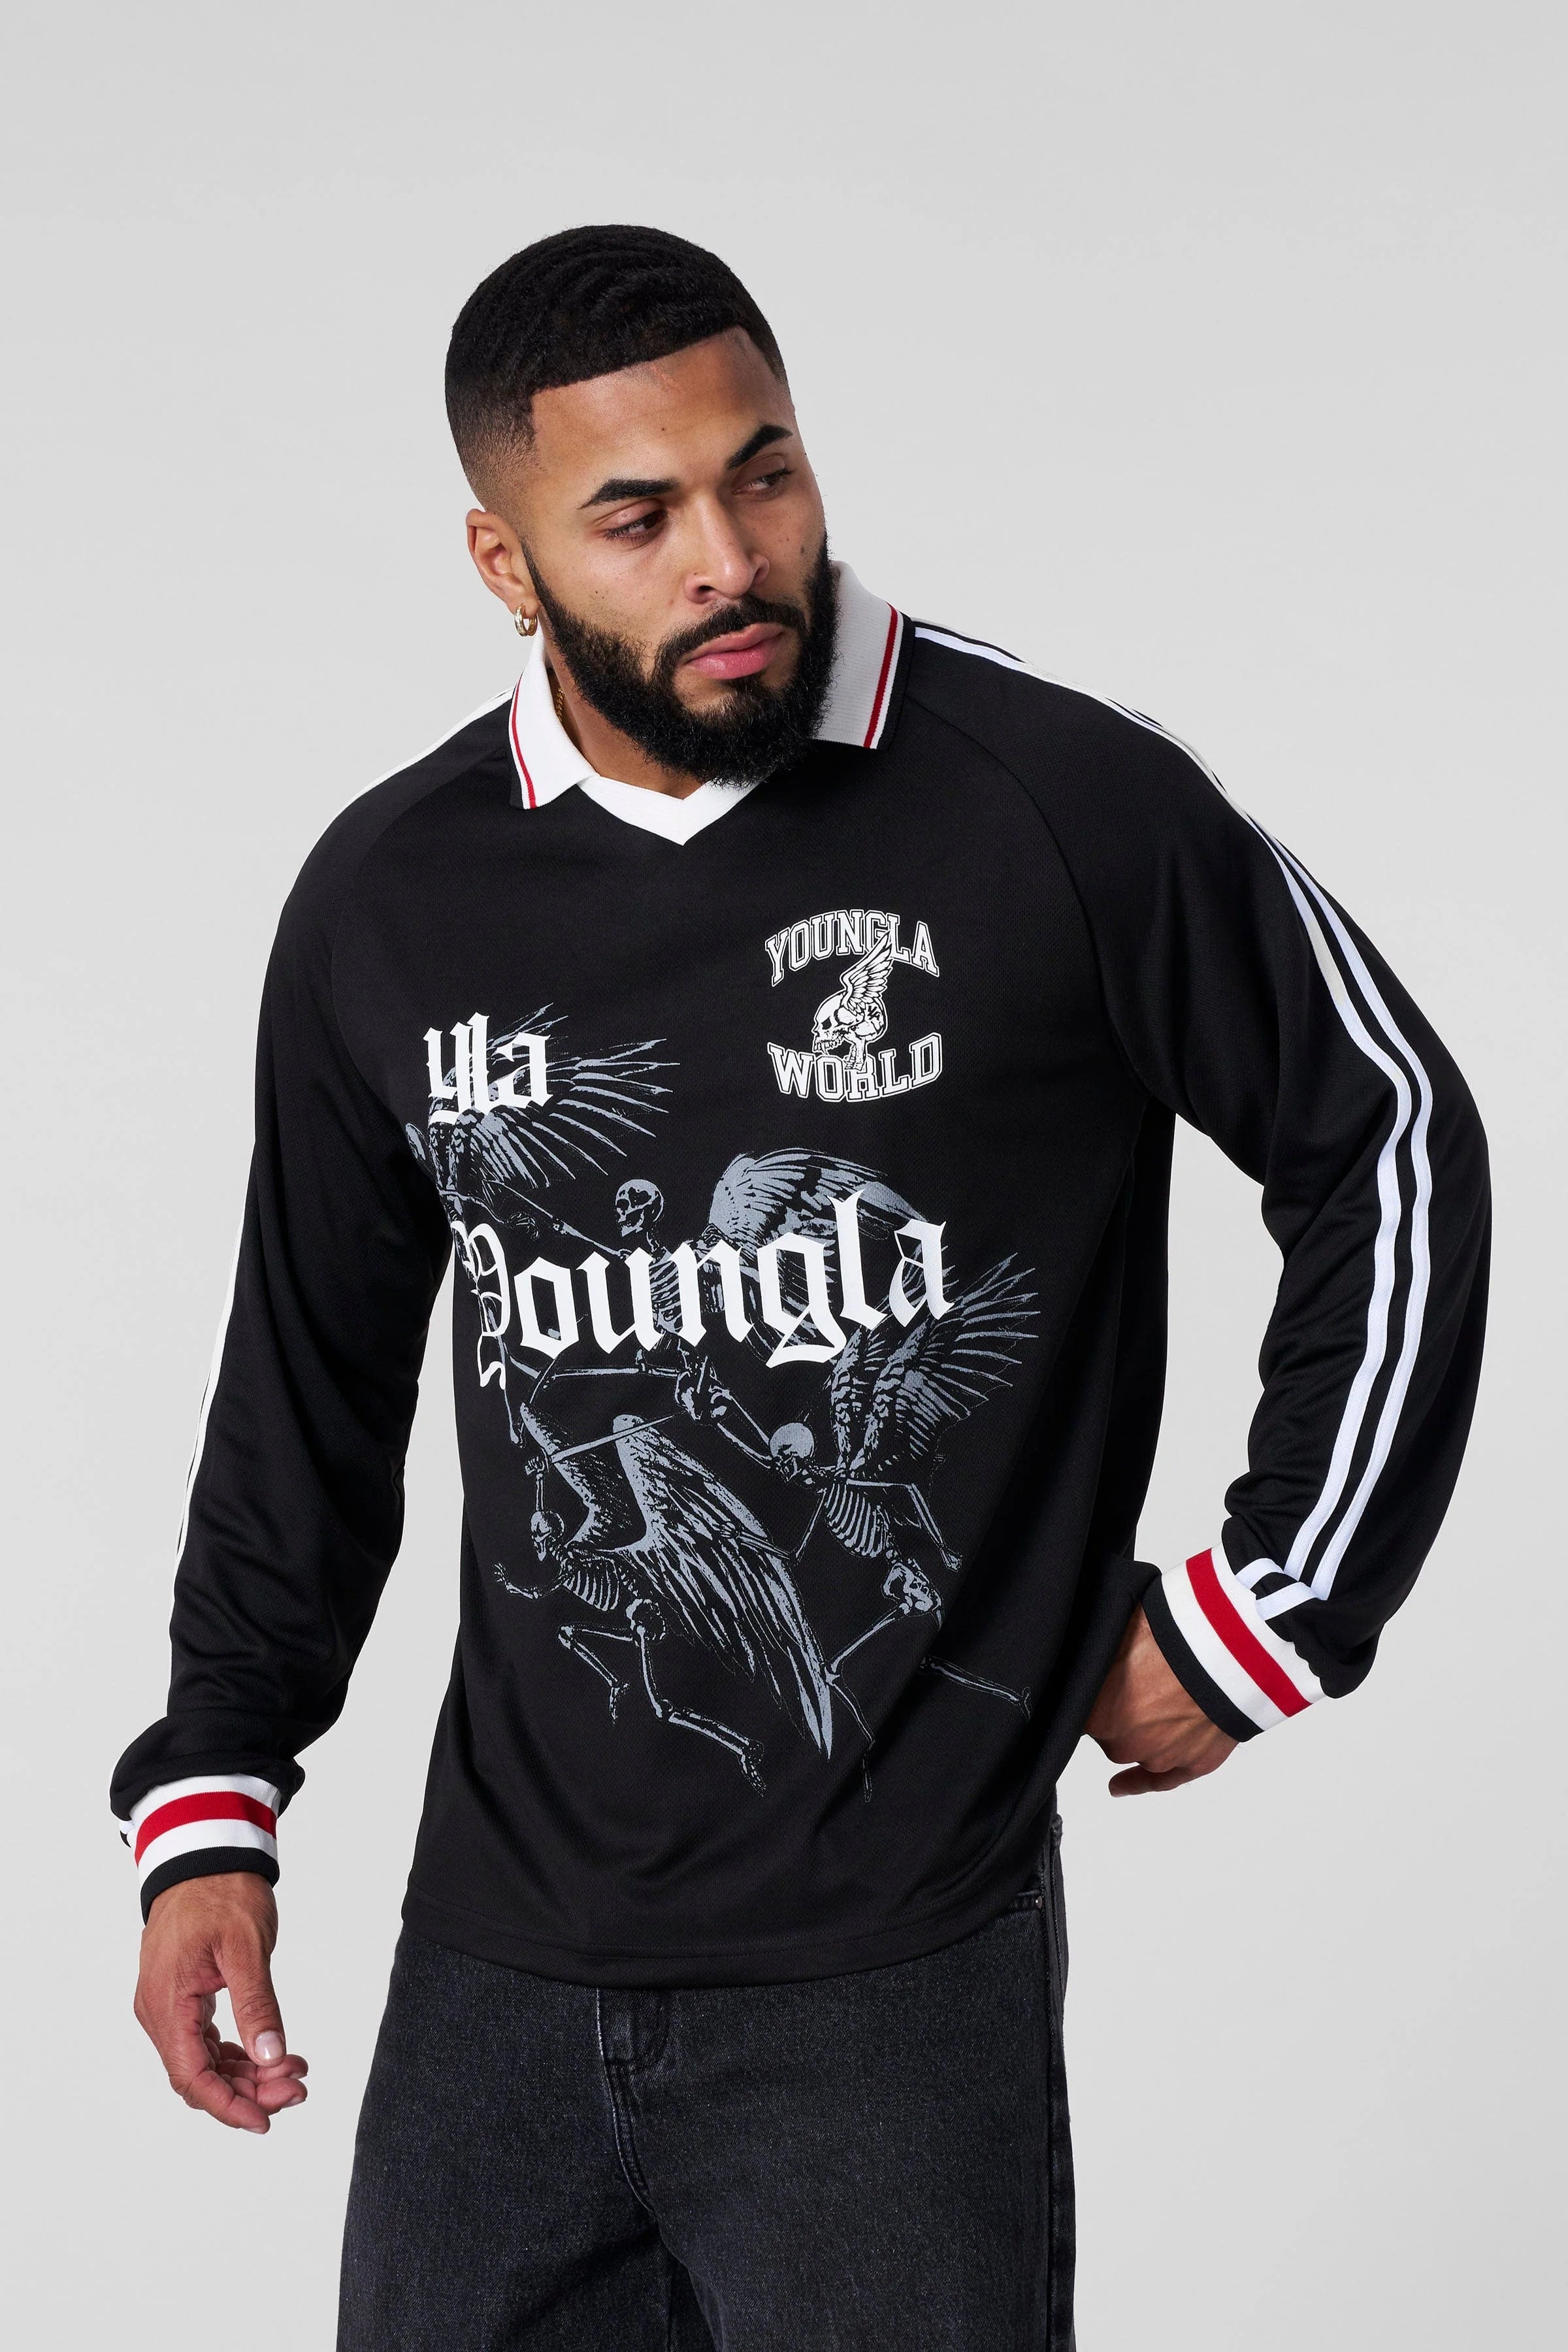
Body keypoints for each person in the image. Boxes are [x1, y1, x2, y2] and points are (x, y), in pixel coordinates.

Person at [114, 225, 1490, 2352]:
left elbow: (1386, 1129)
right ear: (504, 561)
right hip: (496, 1977)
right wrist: (214, 1795)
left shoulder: (1055, 799)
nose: (731, 558)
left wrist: (1275, 1609)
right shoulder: (392, 895)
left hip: (892, 1983)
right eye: (638, 516)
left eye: (763, 472)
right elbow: (306, 1382)